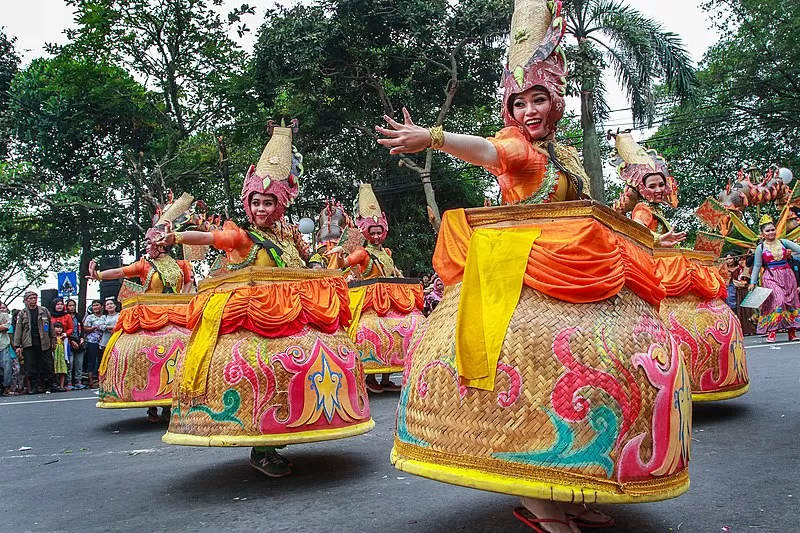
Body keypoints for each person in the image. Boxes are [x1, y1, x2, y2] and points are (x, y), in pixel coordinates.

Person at [159, 121, 373, 478]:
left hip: (296, 314)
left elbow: (310, 260)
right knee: (264, 373)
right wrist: (177, 234)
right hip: (254, 322)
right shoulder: (241, 235)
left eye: (268, 202)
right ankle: (261, 448)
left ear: (280, 204)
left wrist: (327, 259)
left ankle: (286, 429)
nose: (260, 208)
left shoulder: (289, 233)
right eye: (256, 201)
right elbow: (214, 237)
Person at [87, 195, 198, 421]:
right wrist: (99, 275)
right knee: (146, 355)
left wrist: (182, 300)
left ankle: (171, 402)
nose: (147, 247)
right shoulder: (144, 265)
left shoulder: (182, 265)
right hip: (150, 315)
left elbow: (188, 285)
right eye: (147, 244)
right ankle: (152, 404)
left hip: (178, 313)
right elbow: (120, 272)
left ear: (161, 245)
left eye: (150, 243)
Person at [334, 184, 424, 393]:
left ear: (384, 231)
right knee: (372, 331)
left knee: (408, 327)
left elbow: (393, 274)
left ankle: (385, 377)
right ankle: (371, 376)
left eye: (379, 232)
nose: (375, 236)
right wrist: (339, 253)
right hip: (371, 303)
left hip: (393, 298)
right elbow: (343, 265)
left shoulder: (388, 253)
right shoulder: (362, 253)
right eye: (372, 232)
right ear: (365, 232)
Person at [610, 131, 686, 248]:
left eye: (661, 184)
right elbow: (637, 227)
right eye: (652, 186)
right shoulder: (643, 208)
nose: (658, 190)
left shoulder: (655, 209)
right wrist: (657, 240)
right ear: (641, 189)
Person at [748, 215, 800, 342]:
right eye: (768, 230)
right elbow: (757, 265)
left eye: (772, 230)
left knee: (791, 302)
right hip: (770, 276)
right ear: (762, 233)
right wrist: (753, 282)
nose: (771, 232)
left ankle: (792, 332)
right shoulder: (760, 248)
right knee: (778, 301)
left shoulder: (784, 242)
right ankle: (772, 331)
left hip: (787, 275)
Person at [13, 291, 57, 394]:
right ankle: (33, 387)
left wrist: (53, 339)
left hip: (44, 342)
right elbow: (18, 330)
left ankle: (51, 385)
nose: (33, 300)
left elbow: (50, 326)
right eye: (31, 298)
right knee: (31, 366)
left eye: (35, 298)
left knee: (48, 364)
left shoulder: (44, 311)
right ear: (26, 300)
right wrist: (17, 345)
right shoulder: (22, 313)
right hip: (29, 343)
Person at [83, 300, 105, 389]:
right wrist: (93, 328)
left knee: (102, 361)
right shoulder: (90, 317)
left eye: (97, 305)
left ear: (102, 306)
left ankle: (101, 381)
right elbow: (85, 329)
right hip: (92, 341)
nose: (95, 307)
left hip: (103, 342)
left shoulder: (104, 317)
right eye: (94, 305)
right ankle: (91, 382)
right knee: (91, 361)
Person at [65, 299, 86, 390]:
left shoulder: (78, 316)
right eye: (69, 306)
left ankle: (78, 381)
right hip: (69, 341)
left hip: (79, 340)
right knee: (70, 363)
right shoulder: (65, 316)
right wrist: (71, 340)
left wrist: (81, 338)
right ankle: (69, 382)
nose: (72, 307)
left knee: (79, 363)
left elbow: (82, 328)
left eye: (73, 305)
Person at [51, 321, 69, 391]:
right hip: (55, 356)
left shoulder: (64, 338)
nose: (59, 329)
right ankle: (56, 385)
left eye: (61, 328)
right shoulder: (52, 338)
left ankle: (62, 385)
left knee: (63, 371)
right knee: (55, 371)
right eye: (57, 327)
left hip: (61, 356)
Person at [0, 302, 13, 395]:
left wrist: (3, 326)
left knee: (6, 368)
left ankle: (7, 388)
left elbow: (7, 327)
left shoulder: (5, 315)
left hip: (3, 344)